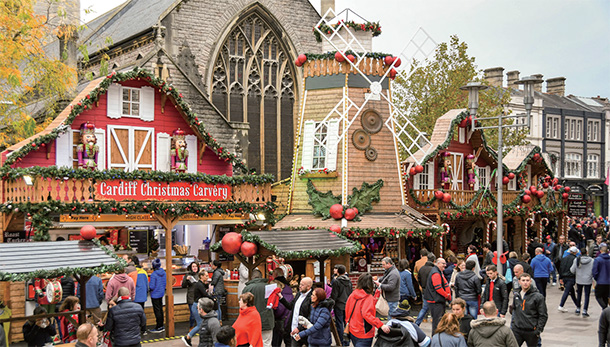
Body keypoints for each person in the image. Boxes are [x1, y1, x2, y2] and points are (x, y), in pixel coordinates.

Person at [344, 273, 390, 347]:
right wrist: (380, 325)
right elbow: (367, 314)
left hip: (353, 329)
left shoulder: (353, 295)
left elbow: (347, 310)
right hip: (364, 332)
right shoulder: (368, 298)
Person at [510, 273, 547, 347]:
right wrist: (514, 325)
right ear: (519, 282)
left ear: (530, 281)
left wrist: (538, 330)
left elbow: (543, 315)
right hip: (517, 330)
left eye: (527, 280)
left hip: (531, 331)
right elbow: (514, 310)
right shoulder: (517, 294)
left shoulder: (538, 297)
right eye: (523, 280)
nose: (525, 282)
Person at [242, 269, 274, 347]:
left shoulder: (247, 288)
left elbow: (243, 306)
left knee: (253, 343)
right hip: (267, 320)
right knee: (266, 343)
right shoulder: (269, 287)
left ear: (252, 277)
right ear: (261, 277)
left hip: (251, 321)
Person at [183, 269, 216, 346]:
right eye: (206, 276)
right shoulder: (199, 284)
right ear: (201, 276)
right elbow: (204, 294)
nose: (208, 277)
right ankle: (188, 337)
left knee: (202, 324)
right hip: (197, 306)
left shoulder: (202, 284)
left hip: (200, 306)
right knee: (200, 324)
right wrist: (213, 299)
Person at [278, 277, 313, 347]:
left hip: (304, 331)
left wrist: (299, 328)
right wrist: (280, 297)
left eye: (302, 285)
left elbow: (310, 317)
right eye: (300, 284)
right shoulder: (299, 294)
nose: (300, 286)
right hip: (293, 329)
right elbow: (290, 306)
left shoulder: (312, 297)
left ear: (308, 287)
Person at [425, 258, 452, 334]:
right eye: (443, 263)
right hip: (436, 301)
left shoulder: (437, 272)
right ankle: (436, 338)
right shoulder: (436, 273)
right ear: (438, 263)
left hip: (435, 300)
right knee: (437, 322)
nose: (445, 265)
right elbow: (438, 288)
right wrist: (446, 295)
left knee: (438, 321)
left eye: (445, 263)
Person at [330, 264, 352, 347]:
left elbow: (334, 295)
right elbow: (350, 293)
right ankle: (347, 342)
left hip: (339, 305)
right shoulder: (349, 281)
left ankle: (341, 342)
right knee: (347, 324)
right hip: (347, 305)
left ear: (338, 272)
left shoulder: (337, 281)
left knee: (339, 325)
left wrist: (331, 303)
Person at [571, 247, 593, 317]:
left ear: (580, 253)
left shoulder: (577, 260)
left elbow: (572, 270)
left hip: (579, 279)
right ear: (587, 253)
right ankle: (584, 310)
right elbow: (593, 270)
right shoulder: (592, 260)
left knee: (579, 294)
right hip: (588, 280)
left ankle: (578, 308)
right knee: (587, 295)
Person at [415, 253, 436, 326]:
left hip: (424, 290)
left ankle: (418, 322)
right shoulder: (434, 269)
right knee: (434, 306)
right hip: (432, 290)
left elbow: (419, 279)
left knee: (424, 307)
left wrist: (421, 286)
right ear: (434, 261)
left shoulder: (422, 269)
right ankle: (434, 320)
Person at [558, 246, 579, 312]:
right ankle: (561, 305)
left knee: (571, 291)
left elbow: (560, 268)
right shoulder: (575, 259)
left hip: (564, 277)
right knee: (567, 291)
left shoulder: (564, 258)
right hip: (571, 277)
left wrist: (560, 277)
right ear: (575, 252)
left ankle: (577, 304)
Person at [149, 258, 167, 333]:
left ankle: (158, 327)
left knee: (157, 311)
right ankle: (161, 325)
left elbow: (152, 286)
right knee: (160, 309)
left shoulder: (153, 274)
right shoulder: (164, 272)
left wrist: (148, 284)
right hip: (161, 293)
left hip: (155, 294)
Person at [183, 261, 201, 329]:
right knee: (193, 313)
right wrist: (186, 280)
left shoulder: (200, 274)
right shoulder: (188, 275)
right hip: (191, 297)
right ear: (191, 267)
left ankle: (199, 326)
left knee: (200, 313)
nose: (194, 268)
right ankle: (192, 326)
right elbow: (183, 285)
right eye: (193, 266)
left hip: (199, 296)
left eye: (196, 266)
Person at [593, 245, 610, 309]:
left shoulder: (597, 260)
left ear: (600, 251)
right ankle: (605, 314)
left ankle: (605, 309)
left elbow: (594, 271)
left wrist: (597, 278)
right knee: (605, 297)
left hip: (601, 281)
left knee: (598, 296)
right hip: (608, 282)